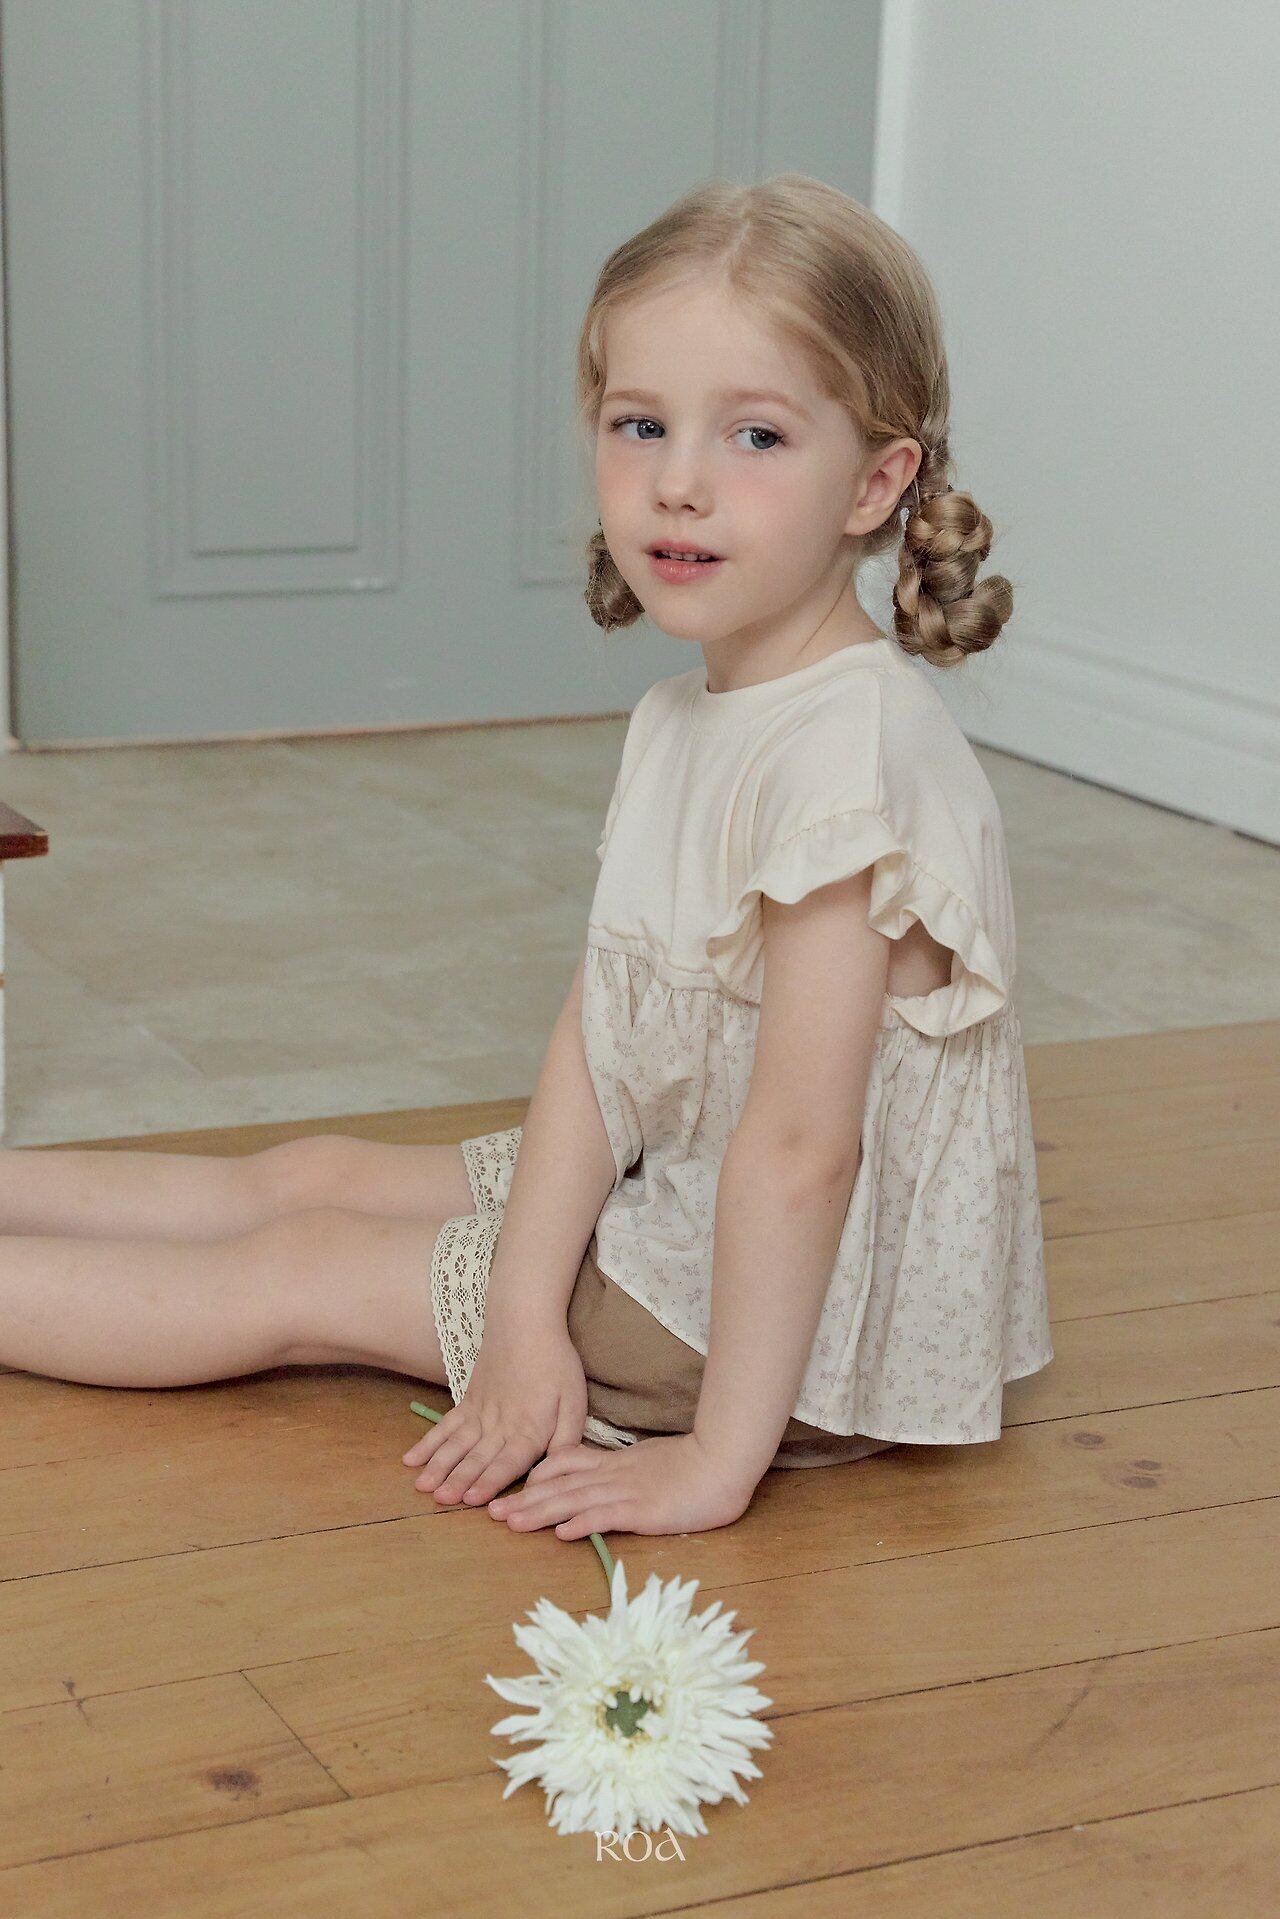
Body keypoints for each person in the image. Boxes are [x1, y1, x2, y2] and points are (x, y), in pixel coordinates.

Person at [2, 174, 1052, 1544]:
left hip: (759, 1321)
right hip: (684, 1180)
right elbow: (602, 1034)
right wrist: (517, 1299)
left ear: (876, 482)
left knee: (300, 1266)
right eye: (640, 423)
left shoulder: (847, 759)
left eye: (755, 434)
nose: (679, 480)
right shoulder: (689, 713)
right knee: (309, 1174)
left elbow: (800, 1153)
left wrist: (712, 1461)